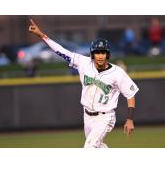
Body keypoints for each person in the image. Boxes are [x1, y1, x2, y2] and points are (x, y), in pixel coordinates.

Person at [29, 19, 139, 148]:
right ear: (93, 54)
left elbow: (130, 94)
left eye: (103, 52)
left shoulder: (117, 72)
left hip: (105, 117)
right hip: (87, 115)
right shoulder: (83, 63)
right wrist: (42, 36)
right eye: (97, 52)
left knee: (89, 147)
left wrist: (130, 119)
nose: (100, 56)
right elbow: (62, 51)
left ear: (107, 54)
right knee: (97, 146)